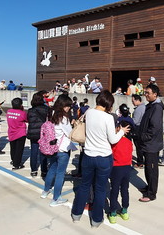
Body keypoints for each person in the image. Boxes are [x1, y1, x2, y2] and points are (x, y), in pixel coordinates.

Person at [71, 91, 130, 227]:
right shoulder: (108, 118)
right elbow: (113, 139)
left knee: (85, 185)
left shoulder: (89, 112)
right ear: (108, 104)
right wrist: (121, 131)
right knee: (100, 189)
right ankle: (96, 220)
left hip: (88, 155)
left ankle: (76, 214)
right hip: (103, 157)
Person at [41, 95, 75, 207]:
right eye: (67, 106)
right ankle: (56, 199)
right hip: (62, 149)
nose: (69, 108)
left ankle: (45, 191)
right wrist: (73, 124)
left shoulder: (51, 113)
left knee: (52, 169)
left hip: (52, 147)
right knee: (60, 173)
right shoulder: (63, 118)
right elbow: (70, 133)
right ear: (63, 105)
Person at [137, 84, 164, 202]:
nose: (146, 95)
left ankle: (151, 194)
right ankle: (149, 187)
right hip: (148, 143)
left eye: (148, 93)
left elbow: (155, 127)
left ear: (155, 94)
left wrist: (144, 137)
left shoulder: (157, 107)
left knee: (152, 169)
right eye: (145, 92)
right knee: (148, 168)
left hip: (151, 144)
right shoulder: (151, 105)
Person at [107, 120, 134, 224]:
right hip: (127, 168)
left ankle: (113, 212)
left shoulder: (114, 142)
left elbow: (110, 154)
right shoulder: (129, 142)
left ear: (119, 128)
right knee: (125, 189)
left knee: (114, 190)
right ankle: (124, 210)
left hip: (116, 168)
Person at [27, 92, 50, 178]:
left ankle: (33, 170)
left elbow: (28, 120)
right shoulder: (46, 109)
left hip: (33, 132)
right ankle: (44, 170)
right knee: (43, 151)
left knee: (34, 151)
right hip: (43, 132)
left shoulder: (30, 110)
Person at [7, 98, 27, 170]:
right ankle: (17, 164)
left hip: (11, 132)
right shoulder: (22, 113)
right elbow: (27, 120)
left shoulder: (9, 111)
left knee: (13, 148)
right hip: (20, 133)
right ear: (21, 105)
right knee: (19, 150)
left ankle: (13, 160)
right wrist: (22, 110)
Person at [131, 94, 146, 168]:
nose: (132, 102)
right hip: (143, 129)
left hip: (138, 129)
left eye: (133, 101)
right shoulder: (144, 107)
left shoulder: (139, 109)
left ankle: (140, 162)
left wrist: (129, 120)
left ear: (137, 100)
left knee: (138, 147)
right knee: (142, 146)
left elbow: (135, 121)